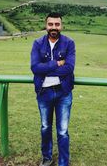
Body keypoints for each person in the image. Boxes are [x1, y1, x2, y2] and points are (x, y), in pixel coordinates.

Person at [30, 12, 76, 166]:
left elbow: (69, 68)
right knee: (45, 127)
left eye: (57, 24)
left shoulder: (69, 43)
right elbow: (35, 68)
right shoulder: (37, 43)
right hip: (44, 93)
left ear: (61, 26)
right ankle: (47, 158)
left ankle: (64, 162)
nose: (53, 27)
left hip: (63, 92)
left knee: (63, 131)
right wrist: (56, 63)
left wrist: (45, 68)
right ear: (46, 25)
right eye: (51, 24)